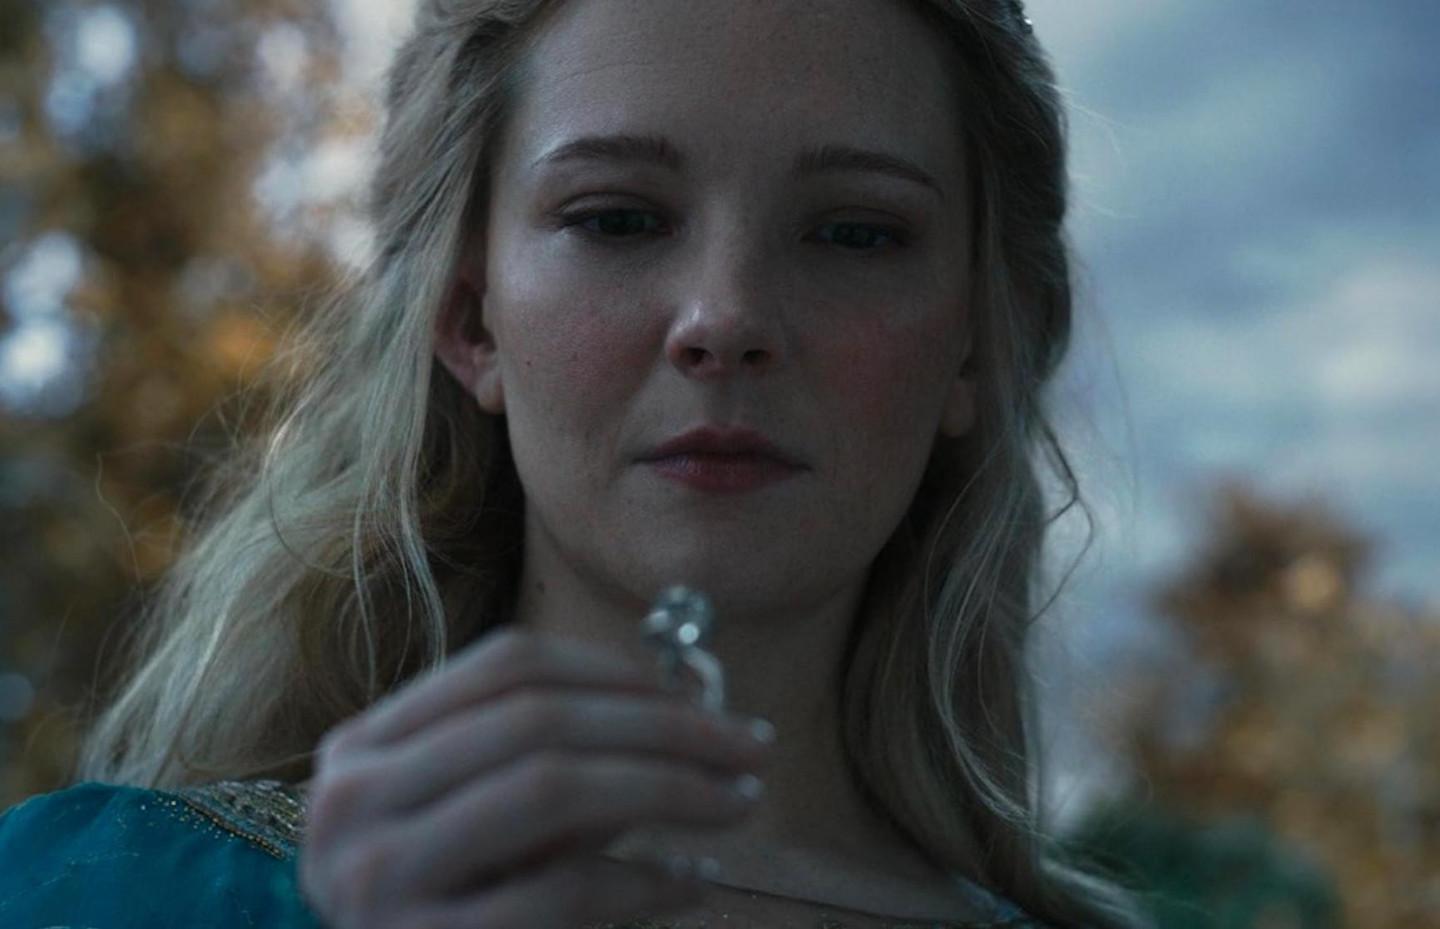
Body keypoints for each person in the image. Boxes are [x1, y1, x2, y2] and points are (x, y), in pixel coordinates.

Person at [0, 0, 1149, 926]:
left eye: (855, 231)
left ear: (972, 346)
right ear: (472, 319)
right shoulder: (88, 890)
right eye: (617, 218)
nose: (726, 316)